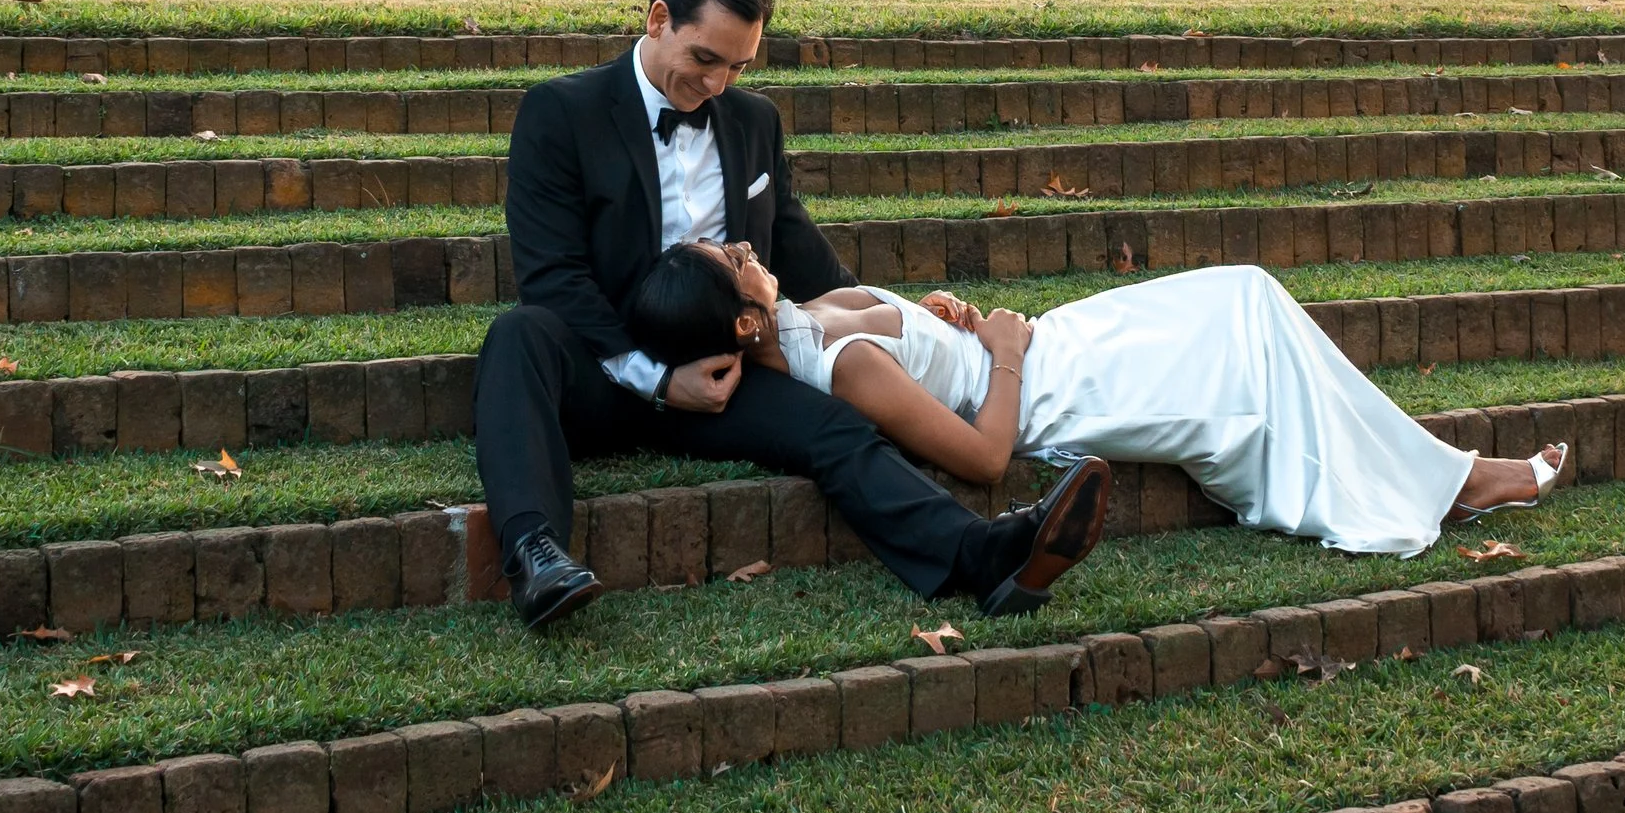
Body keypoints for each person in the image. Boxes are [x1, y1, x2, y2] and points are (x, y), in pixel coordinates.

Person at [470, 0, 1112, 627]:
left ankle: (982, 556)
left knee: (835, 425)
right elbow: (553, 278)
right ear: (658, 20)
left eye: (737, 66)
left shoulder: (752, 120)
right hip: (606, 368)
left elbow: (797, 248)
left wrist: (899, 309)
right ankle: (538, 557)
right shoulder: (561, 113)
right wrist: (657, 378)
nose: (717, 84)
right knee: (519, 336)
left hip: (729, 374)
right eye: (704, 59)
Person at [628, 239, 1569, 554]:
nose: (747, 249)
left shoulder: (814, 308)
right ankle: (1455, 482)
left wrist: (943, 315)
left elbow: (919, 333)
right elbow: (989, 458)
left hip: (1054, 341)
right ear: (743, 327)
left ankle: (1444, 474)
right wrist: (997, 351)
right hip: (1046, 391)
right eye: (733, 262)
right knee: (1245, 355)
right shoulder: (843, 373)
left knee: (1247, 291)